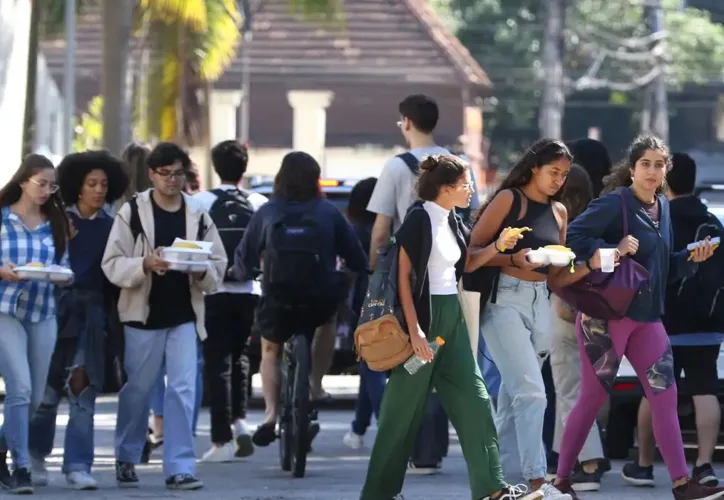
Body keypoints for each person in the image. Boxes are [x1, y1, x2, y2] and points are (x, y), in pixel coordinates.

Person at [551, 135, 722, 500]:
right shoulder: (616, 203)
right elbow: (575, 238)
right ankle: (561, 481)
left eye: (659, 165)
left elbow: (665, 268)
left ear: (665, 172)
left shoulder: (663, 208)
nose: (652, 170)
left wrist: (693, 258)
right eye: (646, 163)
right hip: (605, 318)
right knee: (592, 400)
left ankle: (681, 483)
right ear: (632, 168)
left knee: (665, 395)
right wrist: (612, 250)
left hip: (647, 318)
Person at [361, 154, 536, 500]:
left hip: (450, 320)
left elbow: (467, 262)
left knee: (476, 400)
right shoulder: (418, 220)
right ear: (445, 188)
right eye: (465, 183)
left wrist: (498, 248)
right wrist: (415, 332)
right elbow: (403, 278)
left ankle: (491, 489)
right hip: (424, 321)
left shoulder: (453, 220)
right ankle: (378, 494)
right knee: (400, 412)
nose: (471, 189)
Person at [102, 142, 226, 490]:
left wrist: (200, 271)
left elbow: (218, 263)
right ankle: (127, 456)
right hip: (142, 315)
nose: (173, 181)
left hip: (185, 315)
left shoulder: (198, 214)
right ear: (152, 174)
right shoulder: (134, 212)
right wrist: (144, 263)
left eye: (179, 174)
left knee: (183, 390)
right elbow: (112, 263)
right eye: (166, 174)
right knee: (138, 390)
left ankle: (180, 467)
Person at [366, 93, 480, 473]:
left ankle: (406, 453)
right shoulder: (458, 167)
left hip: (410, 285)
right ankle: (432, 450)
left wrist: (373, 278)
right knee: (438, 364)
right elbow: (468, 222)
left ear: (407, 123)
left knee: (408, 366)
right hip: (448, 283)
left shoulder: (397, 167)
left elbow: (382, 231)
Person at [234, 151, 366, 448]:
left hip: (278, 297)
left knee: (270, 350)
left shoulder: (267, 211)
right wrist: (354, 272)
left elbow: (244, 256)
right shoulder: (328, 212)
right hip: (319, 297)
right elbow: (356, 256)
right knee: (328, 320)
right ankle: (315, 387)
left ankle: (269, 416)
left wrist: (241, 271)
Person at [470, 138, 575, 500]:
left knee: (513, 399)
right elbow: (471, 253)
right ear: (534, 167)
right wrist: (514, 259)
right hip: (504, 301)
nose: (558, 180)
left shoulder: (560, 212)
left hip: (541, 301)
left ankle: (492, 481)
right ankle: (538, 482)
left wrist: (591, 267)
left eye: (564, 174)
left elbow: (558, 275)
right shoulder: (508, 200)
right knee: (532, 393)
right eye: (553, 172)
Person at [623, 152, 724, 488]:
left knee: (655, 391)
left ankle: (643, 464)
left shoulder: (655, 219)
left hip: (661, 321)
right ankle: (705, 465)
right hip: (707, 324)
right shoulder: (713, 224)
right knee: (705, 389)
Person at [28, 151, 128, 490]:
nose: (99, 190)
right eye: (91, 184)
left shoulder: (113, 227)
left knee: (83, 392)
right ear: (77, 187)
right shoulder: (55, 221)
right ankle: (34, 456)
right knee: (47, 392)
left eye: (104, 184)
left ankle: (78, 464)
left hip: (92, 315)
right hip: (53, 309)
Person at [0, 154, 71, 494]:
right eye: (40, 183)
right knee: (21, 388)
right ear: (23, 180)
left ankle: (1, 448)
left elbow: (65, 266)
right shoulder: (2, 218)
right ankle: (22, 467)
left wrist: (60, 276)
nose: (46, 191)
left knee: (36, 396)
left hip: (43, 311)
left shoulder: (54, 221)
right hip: (5, 310)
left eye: (51, 185)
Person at [193, 140, 267, 462]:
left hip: (213, 290)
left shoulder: (200, 201)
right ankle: (240, 421)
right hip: (250, 290)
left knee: (216, 362)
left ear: (215, 166)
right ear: (244, 167)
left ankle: (221, 441)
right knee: (241, 358)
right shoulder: (259, 201)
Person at [547, 164, 605, 492]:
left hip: (563, 312)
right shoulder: (598, 226)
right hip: (597, 316)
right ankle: (564, 459)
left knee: (569, 390)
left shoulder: (560, 226)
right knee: (580, 389)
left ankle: (590, 463)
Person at [341, 177, 387, 450]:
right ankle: (358, 429)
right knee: (369, 364)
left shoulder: (356, 230)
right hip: (394, 300)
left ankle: (385, 423)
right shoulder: (392, 226)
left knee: (371, 365)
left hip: (364, 303)